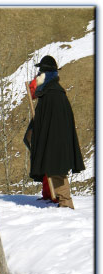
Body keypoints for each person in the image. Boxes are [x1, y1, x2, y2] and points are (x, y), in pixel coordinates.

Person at [25, 55, 85, 209]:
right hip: (54, 139)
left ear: (46, 74)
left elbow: (55, 122)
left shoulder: (54, 94)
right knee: (54, 169)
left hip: (56, 140)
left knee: (57, 170)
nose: (38, 76)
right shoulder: (51, 92)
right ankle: (57, 198)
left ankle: (65, 202)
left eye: (40, 73)